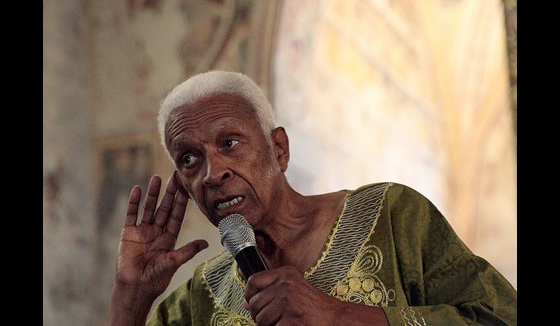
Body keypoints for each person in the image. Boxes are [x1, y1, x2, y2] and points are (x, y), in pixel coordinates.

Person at [106, 70, 517, 325]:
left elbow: (500, 317)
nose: (213, 173)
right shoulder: (200, 298)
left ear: (279, 149)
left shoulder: (390, 217)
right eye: (190, 159)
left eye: (229, 143)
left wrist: (340, 316)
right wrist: (131, 297)